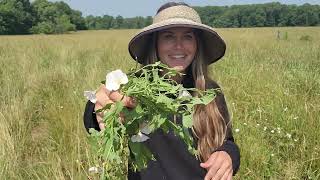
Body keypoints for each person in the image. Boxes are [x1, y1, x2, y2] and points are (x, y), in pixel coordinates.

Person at [84, 2, 240, 180]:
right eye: (169, 36)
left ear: (197, 44)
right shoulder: (136, 89)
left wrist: (228, 155)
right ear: (155, 44)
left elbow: (227, 141)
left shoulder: (210, 91)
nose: (179, 46)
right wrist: (98, 105)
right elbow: (101, 109)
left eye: (188, 36)